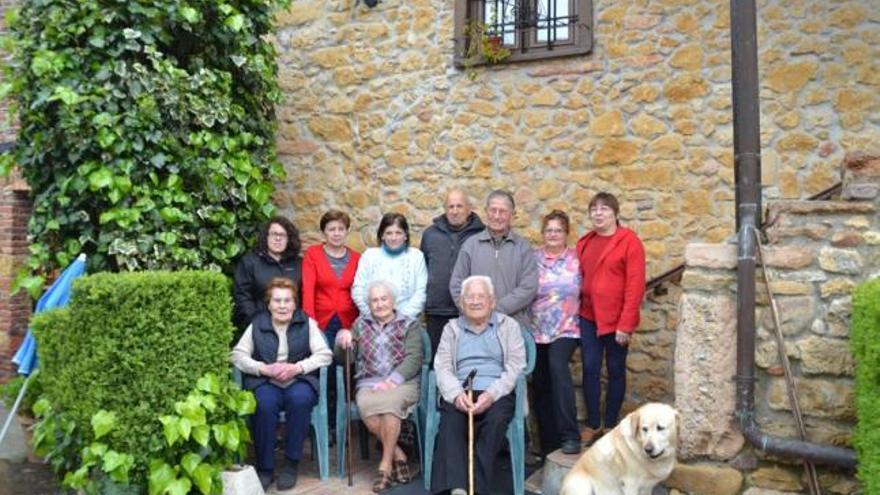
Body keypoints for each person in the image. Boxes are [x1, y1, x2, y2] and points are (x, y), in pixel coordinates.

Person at [231, 278, 332, 491]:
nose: (283, 306)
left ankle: (291, 464)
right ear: (269, 304)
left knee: (300, 399)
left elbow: (325, 355)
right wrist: (262, 368)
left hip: (299, 379)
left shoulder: (307, 323)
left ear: (295, 304)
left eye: (288, 300)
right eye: (277, 301)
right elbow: (238, 355)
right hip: (266, 380)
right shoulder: (257, 324)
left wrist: (298, 367)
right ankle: (266, 468)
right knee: (264, 403)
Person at [431, 276, 526, 495]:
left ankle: (480, 488)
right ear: (462, 303)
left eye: (480, 296)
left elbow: (516, 365)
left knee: (494, 422)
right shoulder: (451, 328)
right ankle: (458, 488)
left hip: (498, 391)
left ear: (492, 301)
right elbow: (442, 367)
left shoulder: (508, 326)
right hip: (463, 389)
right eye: (469, 297)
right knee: (451, 422)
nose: (475, 301)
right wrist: (456, 395)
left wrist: (492, 394)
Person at [335, 281, 424, 493]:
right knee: (368, 406)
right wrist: (342, 341)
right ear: (369, 304)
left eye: (384, 299)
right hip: (369, 382)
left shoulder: (409, 324)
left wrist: (392, 381)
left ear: (393, 301)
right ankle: (399, 455)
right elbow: (344, 359)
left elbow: (415, 357)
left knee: (390, 406)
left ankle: (384, 468)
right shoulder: (360, 324)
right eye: (374, 300)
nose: (379, 304)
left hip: (402, 382)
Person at [575, 192, 646, 445]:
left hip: (616, 321)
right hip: (588, 317)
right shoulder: (585, 242)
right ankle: (594, 423)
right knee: (590, 369)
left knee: (615, 371)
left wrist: (626, 324)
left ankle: (612, 424)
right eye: (594, 209)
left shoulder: (629, 241)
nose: (598, 213)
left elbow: (635, 286)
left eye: (604, 209)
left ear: (615, 213)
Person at [529, 210, 582, 456]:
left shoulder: (576, 259)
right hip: (537, 329)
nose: (553, 234)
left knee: (558, 368)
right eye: (549, 230)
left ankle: (570, 435)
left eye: (558, 230)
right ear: (542, 233)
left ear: (566, 233)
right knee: (540, 383)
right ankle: (549, 444)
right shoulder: (532, 259)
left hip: (567, 328)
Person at [449, 190, 538, 333]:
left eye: (502, 211)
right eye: (493, 210)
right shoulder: (470, 245)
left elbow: (528, 288)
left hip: (514, 328)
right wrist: (475, 312)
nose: (497, 216)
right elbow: (456, 285)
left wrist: (493, 310)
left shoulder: (523, 248)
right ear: (486, 212)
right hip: (475, 328)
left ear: (512, 215)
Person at [421, 190, 484, 363]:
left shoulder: (481, 235)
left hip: (469, 312)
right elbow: (425, 266)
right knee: (437, 362)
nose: (455, 211)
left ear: (469, 209)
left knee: (466, 362)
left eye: (459, 206)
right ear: (445, 209)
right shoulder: (430, 235)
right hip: (436, 311)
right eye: (451, 206)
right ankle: (437, 392)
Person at [302, 210, 361, 346]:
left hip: (348, 321)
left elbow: (359, 291)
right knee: (323, 362)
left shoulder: (357, 258)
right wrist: (310, 321)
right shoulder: (313, 254)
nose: (336, 233)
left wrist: (357, 325)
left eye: (341, 229)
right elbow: (308, 290)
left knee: (346, 364)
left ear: (347, 231)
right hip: (320, 320)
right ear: (324, 232)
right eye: (331, 229)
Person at [352, 213, 427, 320]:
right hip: (372, 321)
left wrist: (399, 319)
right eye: (389, 233)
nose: (393, 238)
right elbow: (358, 289)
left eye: (398, 233)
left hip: (406, 322)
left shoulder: (416, 257)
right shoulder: (369, 256)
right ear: (382, 235)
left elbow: (421, 292)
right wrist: (373, 315)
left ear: (405, 235)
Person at [233, 217, 303, 331]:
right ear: (266, 237)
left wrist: (299, 322)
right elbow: (242, 296)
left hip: (294, 327)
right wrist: (256, 321)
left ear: (289, 239)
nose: (278, 238)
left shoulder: (299, 263)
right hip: (259, 326)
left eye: (283, 235)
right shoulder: (250, 262)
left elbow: (304, 296)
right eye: (274, 234)